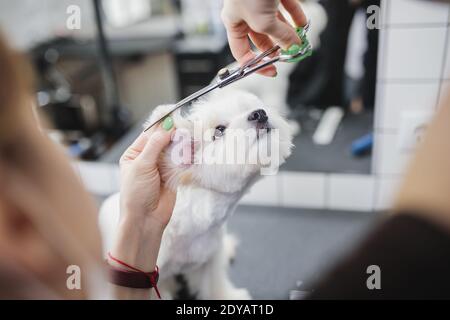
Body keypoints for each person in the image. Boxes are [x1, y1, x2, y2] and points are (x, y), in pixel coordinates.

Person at [0, 0, 450, 299]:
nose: (254, 117)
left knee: (212, 252)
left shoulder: (189, 217)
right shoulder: (163, 220)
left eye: (253, 109)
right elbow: (425, 240)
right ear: (20, 224)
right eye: (219, 131)